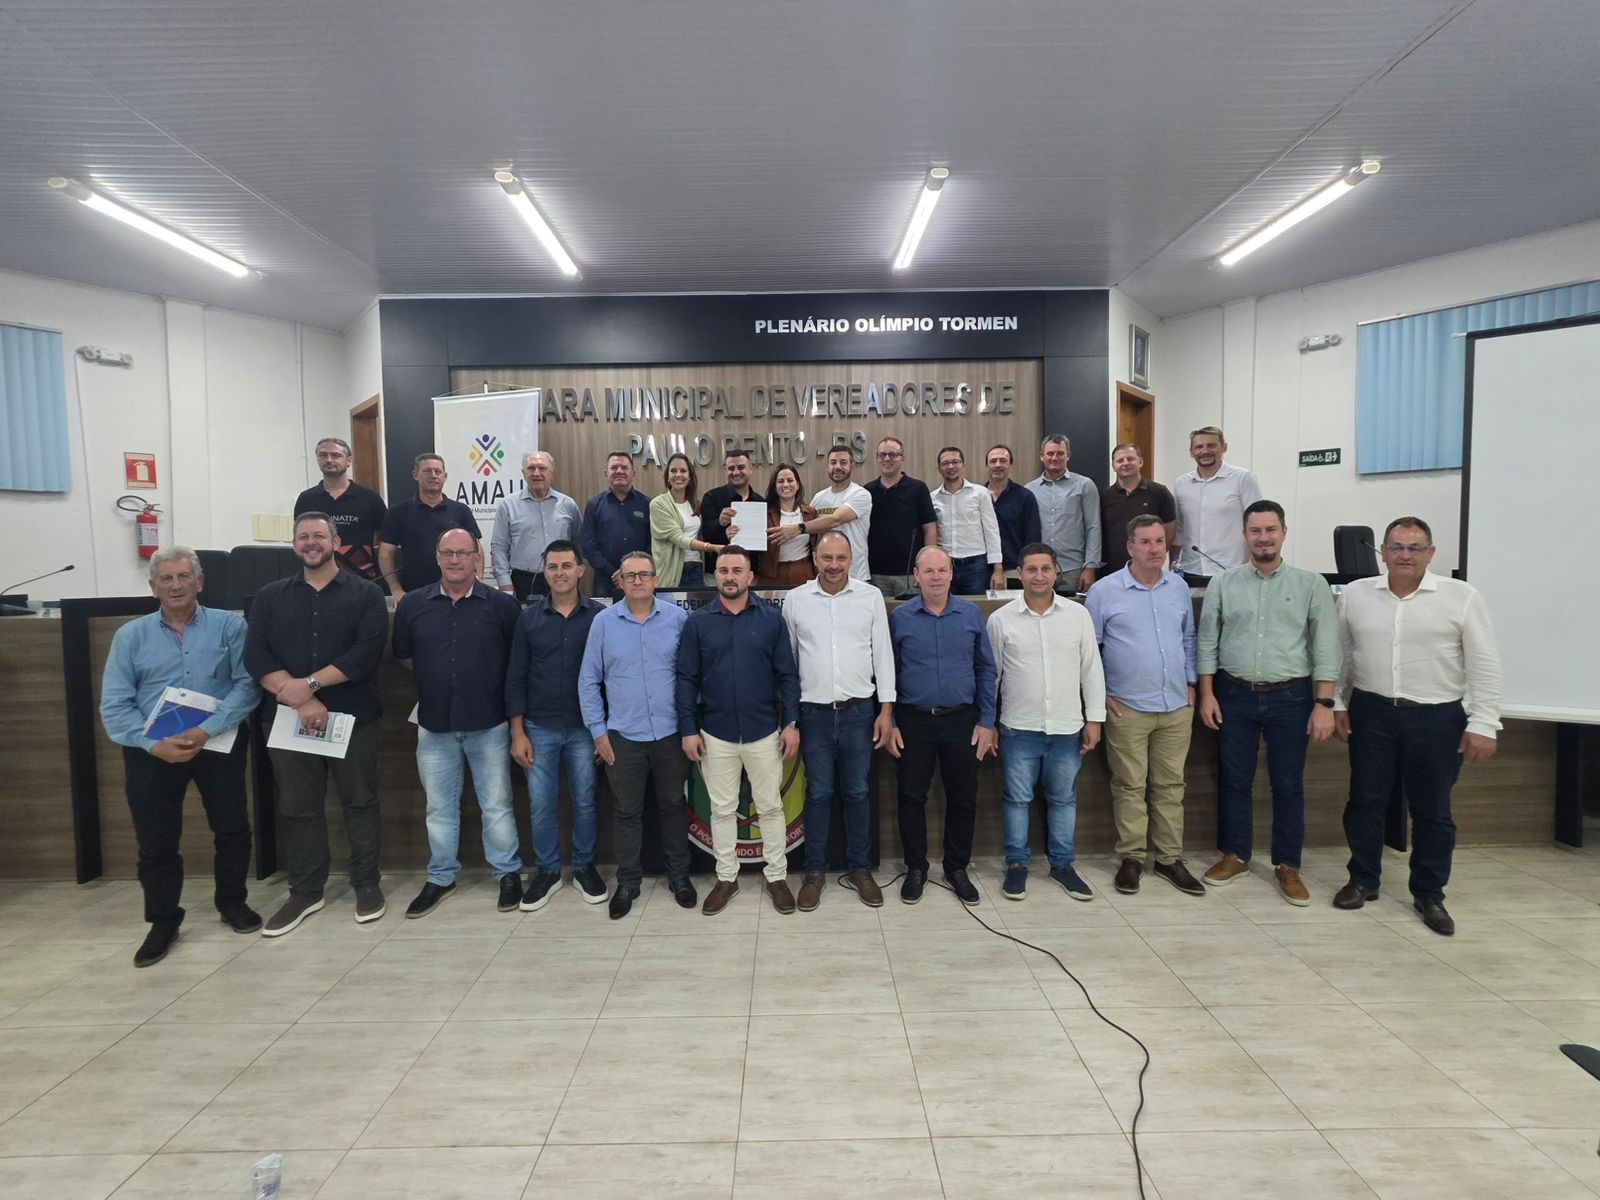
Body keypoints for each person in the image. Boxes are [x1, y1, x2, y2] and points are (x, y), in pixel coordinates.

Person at [1332, 516, 1502, 936]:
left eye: (1414, 548)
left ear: (1430, 553)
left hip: (1437, 717)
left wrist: (1484, 722)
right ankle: (1363, 879)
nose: (1404, 555)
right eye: (1396, 547)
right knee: (1365, 801)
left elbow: (1484, 663)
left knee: (1433, 811)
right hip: (1372, 711)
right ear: (1382, 552)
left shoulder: (1460, 597)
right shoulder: (1356, 595)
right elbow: (1340, 654)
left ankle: (1429, 893)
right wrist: (1335, 701)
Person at [99, 547, 260, 967]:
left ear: (199, 582)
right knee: (156, 841)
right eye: (166, 579)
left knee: (232, 828)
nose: (175, 585)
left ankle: (232, 902)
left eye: (183, 576)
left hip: (217, 743)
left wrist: (207, 729)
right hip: (153, 751)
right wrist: (153, 744)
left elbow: (247, 685)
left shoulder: (230, 627)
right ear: (153, 587)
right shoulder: (130, 636)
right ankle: (163, 920)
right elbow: (115, 704)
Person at [245, 512, 389, 935]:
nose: (312, 542)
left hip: (352, 717)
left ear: (336, 542)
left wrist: (308, 685)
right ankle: (306, 891)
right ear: (294, 545)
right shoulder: (269, 597)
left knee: (360, 802)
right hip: (289, 720)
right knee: (299, 806)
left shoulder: (366, 594)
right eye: (304, 536)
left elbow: (365, 654)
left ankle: (367, 884)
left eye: (320, 536)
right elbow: (256, 656)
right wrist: (299, 697)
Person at [1197, 500, 1340, 905]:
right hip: (1234, 694)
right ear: (1244, 535)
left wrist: (1324, 703)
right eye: (1256, 531)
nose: (1263, 538)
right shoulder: (1223, 583)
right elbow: (1207, 642)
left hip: (1292, 698)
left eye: (1270, 530)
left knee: (1288, 784)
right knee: (1234, 780)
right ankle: (1236, 854)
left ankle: (1288, 865)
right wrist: (1207, 693)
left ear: (1283, 533)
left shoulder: (1311, 584)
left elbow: (1326, 647)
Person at [392, 528, 523, 919]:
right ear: (437, 558)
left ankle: (508, 873)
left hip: (489, 724)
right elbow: (406, 657)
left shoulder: (502, 606)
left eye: (463, 553)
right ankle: (441, 877)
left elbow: (517, 663)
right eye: (448, 553)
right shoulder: (413, 605)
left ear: (476, 559)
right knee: (439, 808)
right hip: (434, 725)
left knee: (496, 805)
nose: (455, 560)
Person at [676, 545, 802, 916]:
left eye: (736, 570)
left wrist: (792, 723)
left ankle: (776, 877)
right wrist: (688, 729)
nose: (729, 577)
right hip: (715, 732)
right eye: (723, 570)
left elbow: (787, 675)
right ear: (715, 576)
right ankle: (726, 878)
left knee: (771, 807)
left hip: (764, 731)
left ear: (750, 576)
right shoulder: (698, 623)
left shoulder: (771, 620)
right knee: (722, 810)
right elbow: (686, 679)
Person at [1084, 515, 1204, 897]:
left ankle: (1169, 859)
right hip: (1127, 707)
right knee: (1130, 786)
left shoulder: (1178, 587)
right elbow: (1090, 650)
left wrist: (1191, 683)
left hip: (1175, 705)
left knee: (1171, 786)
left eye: (1160, 541)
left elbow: (1188, 639)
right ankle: (1132, 858)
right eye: (1146, 542)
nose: (1155, 549)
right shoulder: (1104, 591)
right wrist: (1100, 694)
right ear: (1130, 547)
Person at [578, 550, 697, 919]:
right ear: (620, 580)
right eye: (630, 576)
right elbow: (588, 681)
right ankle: (628, 882)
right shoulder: (603, 622)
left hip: (670, 733)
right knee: (627, 812)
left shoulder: (678, 619)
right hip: (622, 736)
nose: (638, 581)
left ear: (656, 579)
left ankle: (679, 877)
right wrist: (598, 733)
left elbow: (691, 676)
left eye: (644, 575)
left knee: (673, 806)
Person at [782, 531, 896, 911]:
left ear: (851, 559)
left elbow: (883, 656)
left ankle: (860, 869)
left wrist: (886, 711)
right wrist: (791, 719)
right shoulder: (797, 600)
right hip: (812, 714)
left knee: (858, 792)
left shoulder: (870, 597)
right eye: (827, 558)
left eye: (841, 558)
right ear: (815, 559)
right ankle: (814, 872)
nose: (834, 565)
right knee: (817, 794)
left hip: (859, 713)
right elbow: (789, 664)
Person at [987, 542, 1105, 902]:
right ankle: (1016, 865)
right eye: (1031, 569)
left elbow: (1091, 671)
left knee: (1063, 798)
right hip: (1018, 727)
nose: (1039, 576)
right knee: (1017, 799)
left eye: (1046, 569)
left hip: (1066, 727)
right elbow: (991, 678)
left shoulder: (1077, 615)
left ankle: (1062, 865)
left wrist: (1094, 719)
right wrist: (988, 723)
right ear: (1019, 574)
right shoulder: (1001, 620)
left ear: (1056, 573)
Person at [887, 546, 998, 906]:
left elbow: (986, 670)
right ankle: (916, 868)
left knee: (963, 798)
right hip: (913, 720)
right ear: (916, 576)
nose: (936, 577)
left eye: (942, 570)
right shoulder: (900, 617)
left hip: (962, 720)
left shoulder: (970, 614)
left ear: (952, 574)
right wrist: (890, 721)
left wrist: (986, 721)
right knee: (910, 796)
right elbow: (888, 673)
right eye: (928, 571)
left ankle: (956, 868)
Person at [507, 539, 606, 911]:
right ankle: (547, 871)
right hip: (538, 727)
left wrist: (603, 732)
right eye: (553, 567)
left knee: (586, 802)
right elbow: (516, 676)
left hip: (585, 728)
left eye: (567, 566)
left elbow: (610, 678)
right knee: (541, 805)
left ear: (580, 570)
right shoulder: (528, 618)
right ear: (544, 572)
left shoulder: (599, 617)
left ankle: (584, 867)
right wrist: (517, 732)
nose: (560, 573)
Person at [378, 453, 482, 603]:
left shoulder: (460, 510)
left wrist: (477, 581)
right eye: (427, 471)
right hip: (412, 593)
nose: (433, 475)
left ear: (445, 477)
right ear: (415, 475)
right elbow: (386, 553)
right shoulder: (397, 512)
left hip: (457, 594)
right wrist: (395, 589)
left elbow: (476, 549)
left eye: (438, 471)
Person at [1172, 426, 1262, 583]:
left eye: (1211, 445)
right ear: (1191, 452)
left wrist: (1254, 566)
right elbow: (1179, 528)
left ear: (1224, 447)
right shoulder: (1181, 483)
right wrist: (1173, 565)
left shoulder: (1242, 478)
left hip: (1231, 570)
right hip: (1190, 569)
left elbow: (1257, 524)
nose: (1205, 451)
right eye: (1199, 447)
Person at [490, 451, 581, 601]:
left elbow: (578, 542)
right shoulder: (508, 505)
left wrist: (574, 574)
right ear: (523, 473)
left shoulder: (568, 504)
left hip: (562, 578)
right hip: (522, 582)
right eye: (531, 468)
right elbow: (499, 547)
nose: (536, 473)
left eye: (542, 468)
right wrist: (505, 583)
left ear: (552, 473)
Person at [294, 436, 387, 581]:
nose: (329, 460)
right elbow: (300, 537)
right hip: (317, 577)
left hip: (362, 579)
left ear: (349, 460)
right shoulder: (306, 499)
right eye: (323, 455)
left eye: (335, 455)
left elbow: (386, 540)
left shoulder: (370, 498)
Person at [1025, 434, 1101, 592]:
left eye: (1060, 453)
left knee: (1073, 609)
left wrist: (1090, 567)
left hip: (1073, 570)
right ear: (1042, 456)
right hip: (1040, 571)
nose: (1054, 458)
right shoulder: (1029, 490)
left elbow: (1093, 527)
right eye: (1050, 453)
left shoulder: (1084, 485)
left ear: (1068, 456)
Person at [864, 435, 937, 598]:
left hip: (910, 573)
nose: (887, 459)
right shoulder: (867, 492)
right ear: (877, 458)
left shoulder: (918, 488)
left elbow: (930, 528)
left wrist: (928, 566)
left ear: (903, 458)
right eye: (882, 455)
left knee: (912, 613)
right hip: (875, 573)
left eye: (893, 454)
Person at [788, 444, 871, 581]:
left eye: (843, 462)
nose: (837, 467)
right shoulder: (818, 498)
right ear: (827, 466)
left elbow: (836, 520)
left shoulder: (860, 494)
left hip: (856, 576)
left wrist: (798, 528)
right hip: (825, 576)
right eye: (833, 462)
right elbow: (813, 531)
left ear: (852, 466)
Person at [932, 445, 1004, 595]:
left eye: (955, 462)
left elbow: (991, 531)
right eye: (945, 463)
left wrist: (997, 569)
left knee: (977, 607)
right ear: (939, 469)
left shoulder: (980, 493)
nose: (951, 466)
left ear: (963, 465)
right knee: (946, 606)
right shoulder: (932, 498)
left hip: (976, 566)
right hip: (945, 566)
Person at [580, 451, 652, 600]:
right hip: (605, 579)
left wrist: (632, 570)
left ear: (633, 473)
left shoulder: (647, 504)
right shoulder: (594, 505)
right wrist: (612, 572)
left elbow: (653, 543)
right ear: (606, 473)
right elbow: (588, 545)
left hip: (640, 578)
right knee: (604, 615)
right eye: (614, 467)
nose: (619, 471)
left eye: (624, 468)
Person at [1099, 443, 1176, 577]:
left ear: (1140, 462)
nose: (1125, 463)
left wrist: (1153, 555)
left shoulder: (1160, 493)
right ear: (1113, 466)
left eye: (1130, 459)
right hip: (1110, 570)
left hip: (1147, 569)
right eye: (1120, 460)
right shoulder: (1103, 497)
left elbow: (1170, 530)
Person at [648, 452, 716, 589]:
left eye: (683, 471)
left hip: (696, 568)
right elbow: (678, 538)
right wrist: (711, 547)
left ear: (690, 477)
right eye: (673, 471)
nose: (678, 475)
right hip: (672, 572)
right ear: (668, 477)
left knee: (697, 604)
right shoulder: (658, 504)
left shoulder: (696, 504)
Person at [698, 447, 768, 576]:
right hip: (718, 574)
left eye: (741, 467)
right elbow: (704, 534)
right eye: (731, 468)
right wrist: (720, 525)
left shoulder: (761, 502)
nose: (736, 472)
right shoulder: (711, 497)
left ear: (750, 469)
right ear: (725, 470)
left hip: (751, 574)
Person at [985, 443, 1041, 580]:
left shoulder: (1025, 496)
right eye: (993, 461)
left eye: (1003, 461)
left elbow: (1032, 538)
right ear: (987, 466)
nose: (998, 465)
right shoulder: (977, 496)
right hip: (982, 570)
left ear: (1011, 465)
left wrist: (1029, 568)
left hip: (1015, 570)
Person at [757, 464, 817, 588]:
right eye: (780, 481)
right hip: (772, 576)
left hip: (804, 573)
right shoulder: (763, 513)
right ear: (774, 487)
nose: (785, 485)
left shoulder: (810, 513)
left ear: (798, 485)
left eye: (790, 480)